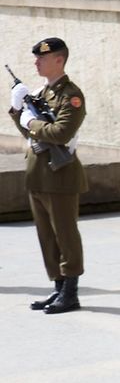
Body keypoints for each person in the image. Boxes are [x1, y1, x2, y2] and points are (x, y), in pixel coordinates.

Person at [8, 37, 89, 315]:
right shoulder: (41, 94)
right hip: (38, 174)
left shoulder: (71, 96)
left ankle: (70, 292)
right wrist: (17, 111)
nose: (36, 62)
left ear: (59, 60)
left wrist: (30, 121)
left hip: (61, 175)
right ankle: (57, 287)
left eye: (42, 58)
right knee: (47, 236)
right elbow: (29, 132)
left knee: (65, 234)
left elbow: (61, 133)